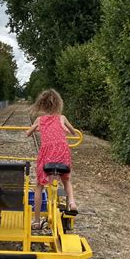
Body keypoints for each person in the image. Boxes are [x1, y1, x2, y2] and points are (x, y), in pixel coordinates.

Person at [26, 89, 78, 229]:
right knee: (66, 180)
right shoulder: (62, 118)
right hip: (62, 153)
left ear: (41, 105)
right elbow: (73, 132)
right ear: (58, 104)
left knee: (39, 186)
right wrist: (66, 131)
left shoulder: (39, 120)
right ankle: (72, 202)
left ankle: (36, 221)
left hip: (47, 156)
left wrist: (36, 129)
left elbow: (28, 133)